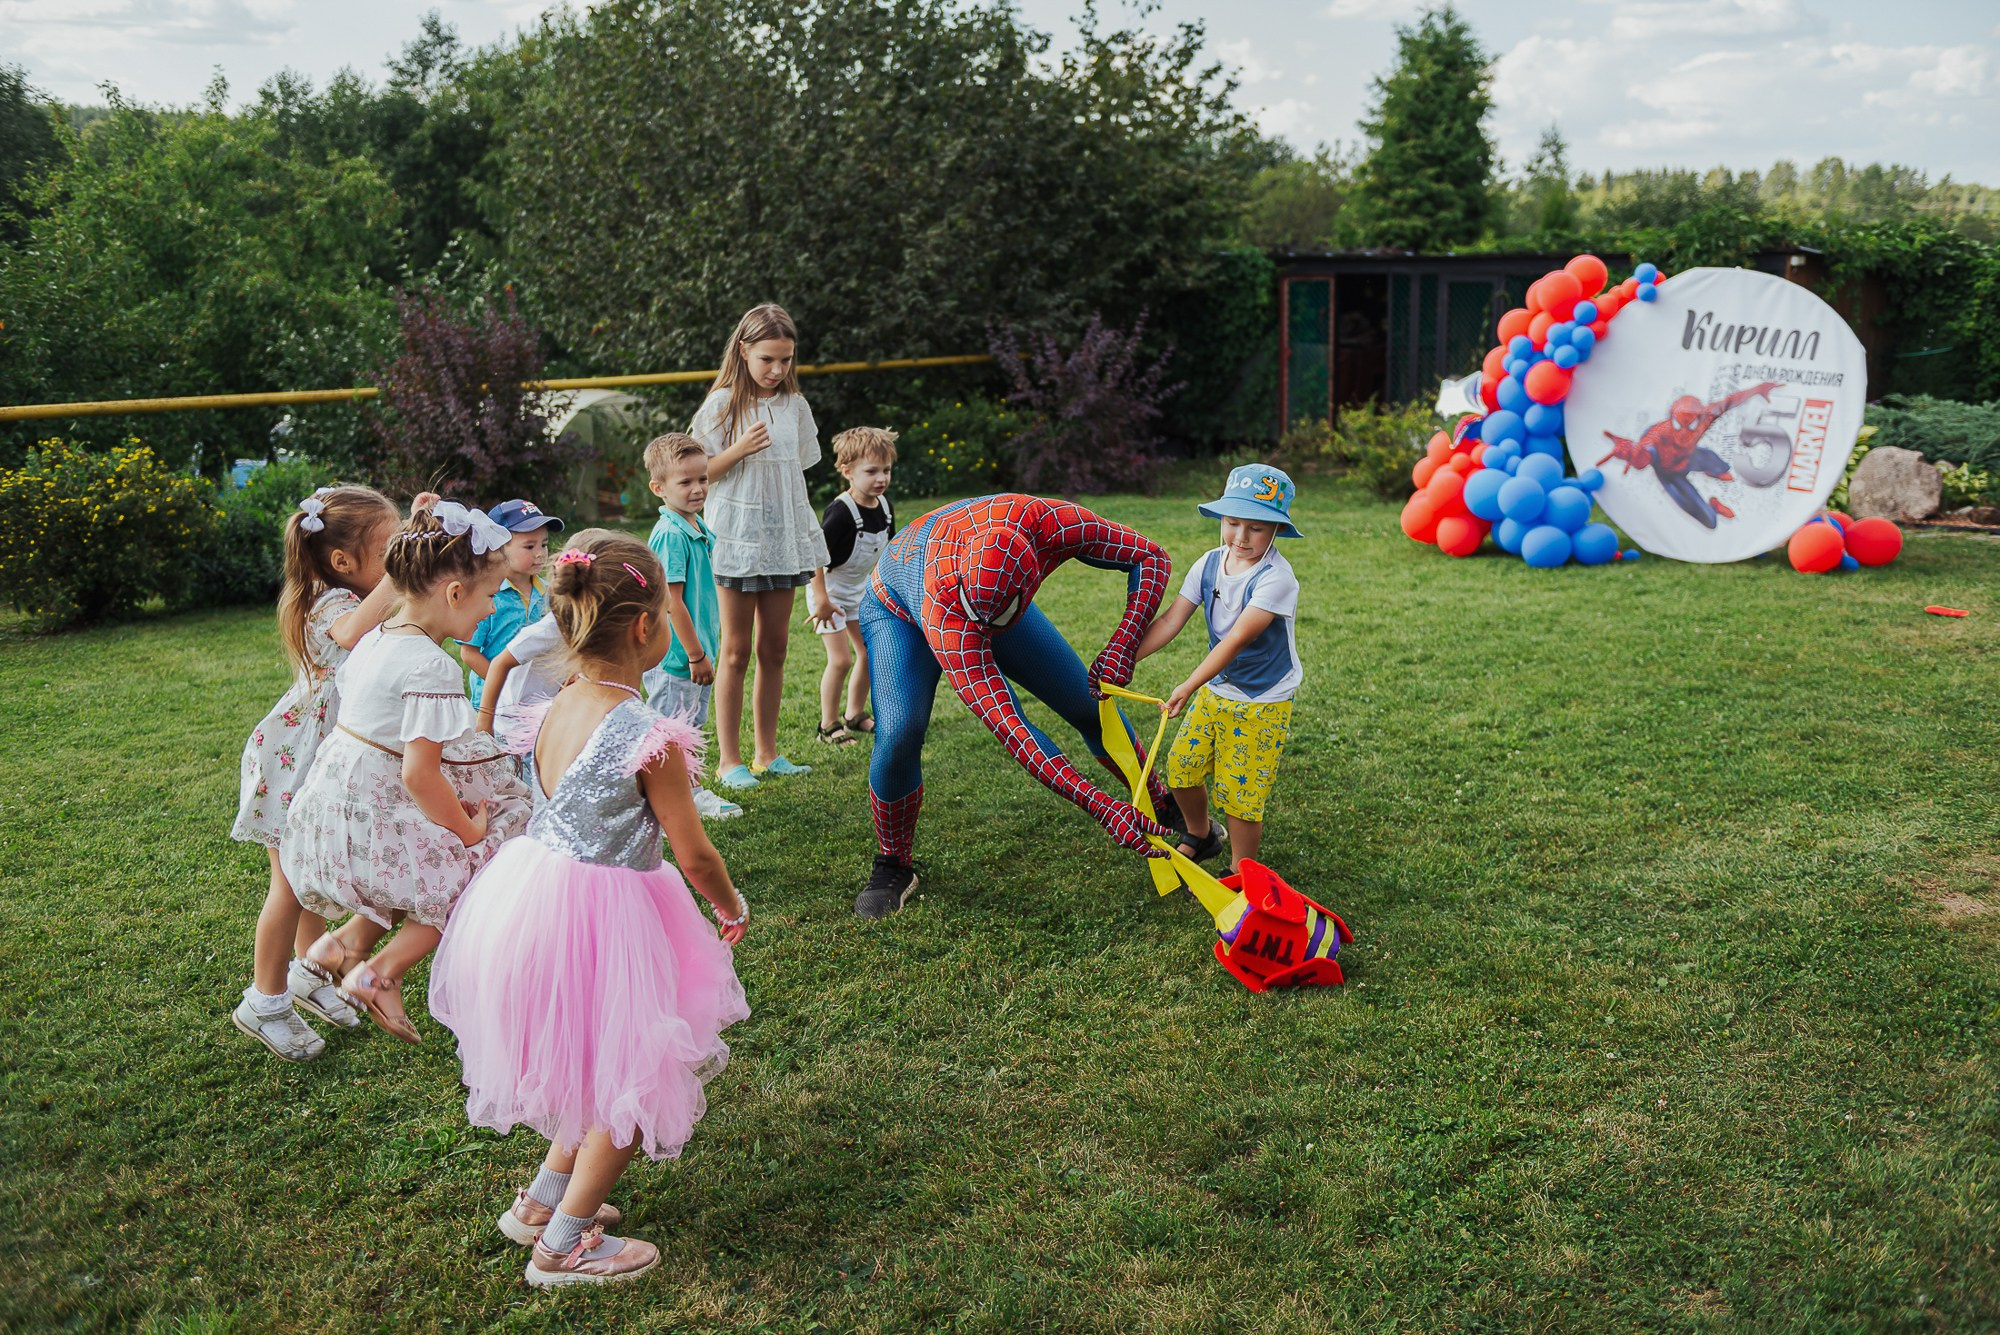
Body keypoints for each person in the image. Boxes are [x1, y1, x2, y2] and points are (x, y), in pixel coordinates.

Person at [430, 530, 751, 1288]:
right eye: (666, 614)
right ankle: (563, 1246)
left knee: (590, 1061)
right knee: (636, 1072)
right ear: (644, 628)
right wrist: (729, 903)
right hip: (607, 915)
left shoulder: (556, 703)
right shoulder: (648, 735)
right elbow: (695, 854)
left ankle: (539, 1202)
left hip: (534, 898)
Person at [852, 493, 1183, 919]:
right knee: (900, 732)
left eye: (997, 620)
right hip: (900, 606)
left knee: (1087, 705)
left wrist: (1125, 642)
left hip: (982, 588)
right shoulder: (950, 610)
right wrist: (1100, 805)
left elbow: (1150, 556)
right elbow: (1015, 730)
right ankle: (893, 862)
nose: (987, 632)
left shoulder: (1050, 522)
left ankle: (1158, 800)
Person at [282, 501, 533, 1043]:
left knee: (419, 859)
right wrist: (469, 831)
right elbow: (419, 776)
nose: (493, 608)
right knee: (482, 849)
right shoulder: (432, 666)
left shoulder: (375, 637)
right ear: (455, 594)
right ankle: (380, 973)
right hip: (371, 821)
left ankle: (338, 947)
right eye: (491, 595)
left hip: (334, 813)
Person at [229, 484, 409, 1061]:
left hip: (324, 761)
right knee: (288, 886)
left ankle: (309, 973)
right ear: (342, 561)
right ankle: (264, 1001)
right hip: (293, 763)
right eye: (389, 551)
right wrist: (403, 571)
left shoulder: (358, 594)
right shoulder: (329, 603)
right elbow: (352, 633)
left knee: (313, 877)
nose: (397, 562)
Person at [1134, 465, 1305, 871]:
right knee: (1182, 768)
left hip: (1262, 700)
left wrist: (1189, 684)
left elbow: (1236, 640)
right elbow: (1171, 620)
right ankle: (1201, 834)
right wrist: (1126, 658)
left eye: (1256, 528)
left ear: (1276, 530)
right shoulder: (1209, 564)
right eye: (1232, 523)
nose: (1241, 537)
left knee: (1241, 796)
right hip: (1217, 690)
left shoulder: (1276, 579)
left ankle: (1241, 870)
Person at [690, 303, 828, 789]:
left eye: (786, 360)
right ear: (744, 350)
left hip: (782, 539)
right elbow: (699, 473)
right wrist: (739, 449)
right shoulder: (721, 404)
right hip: (737, 540)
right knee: (735, 651)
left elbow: (795, 471)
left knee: (775, 649)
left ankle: (767, 754)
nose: (777, 369)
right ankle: (729, 761)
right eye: (767, 358)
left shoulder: (795, 406)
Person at [638, 433, 741, 820]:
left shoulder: (693, 525)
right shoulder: (670, 535)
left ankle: (687, 790)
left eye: (703, 479)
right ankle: (673, 798)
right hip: (678, 657)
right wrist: (696, 655)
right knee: (669, 732)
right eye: (685, 482)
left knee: (690, 728)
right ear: (659, 488)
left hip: (696, 651)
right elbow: (671, 601)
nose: (698, 489)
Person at [811, 426, 896, 747]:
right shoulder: (841, 512)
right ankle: (828, 725)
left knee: (869, 653)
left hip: (860, 591)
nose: (881, 478)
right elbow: (814, 557)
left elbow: (888, 553)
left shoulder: (884, 507)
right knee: (841, 660)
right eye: (871, 471)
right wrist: (821, 599)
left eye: (886, 470)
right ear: (847, 471)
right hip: (829, 592)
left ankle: (855, 714)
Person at [460, 499, 563, 708]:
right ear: (498, 547)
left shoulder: (550, 592)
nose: (540, 553)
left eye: (544, 544)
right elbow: (469, 653)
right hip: (495, 706)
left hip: (538, 701)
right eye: (529, 546)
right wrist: (503, 688)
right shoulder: (488, 595)